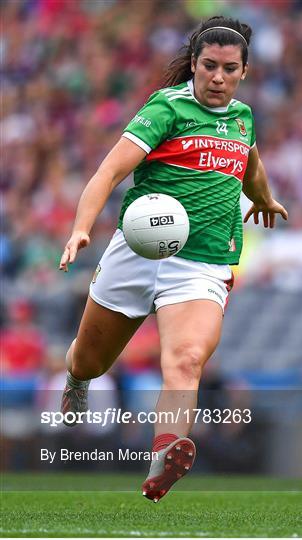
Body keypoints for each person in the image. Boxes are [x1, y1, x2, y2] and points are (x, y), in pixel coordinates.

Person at [59, 15, 288, 502]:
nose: (218, 77)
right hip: (136, 252)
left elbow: (248, 161)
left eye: (229, 68)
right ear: (194, 64)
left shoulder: (243, 117)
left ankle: (165, 452)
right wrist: (81, 228)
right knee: (90, 361)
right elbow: (107, 173)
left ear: (244, 71)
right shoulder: (166, 108)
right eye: (209, 66)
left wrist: (264, 198)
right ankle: (74, 379)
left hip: (201, 264)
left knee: (185, 361)